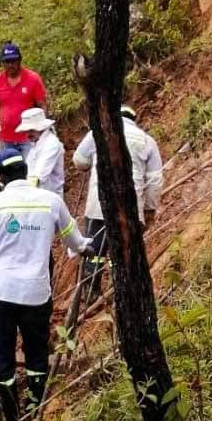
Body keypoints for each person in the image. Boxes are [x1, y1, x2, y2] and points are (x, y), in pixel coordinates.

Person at [0, 146, 91, 421]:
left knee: (2, 354)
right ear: (26, 173)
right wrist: (89, 247)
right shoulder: (51, 202)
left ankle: (13, 419)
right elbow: (74, 241)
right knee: (36, 351)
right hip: (35, 293)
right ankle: (34, 409)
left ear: (1, 178)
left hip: (0, 293)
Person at [72, 105, 164, 299]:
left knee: (94, 249)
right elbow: (155, 180)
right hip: (130, 207)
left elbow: (79, 161)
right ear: (134, 120)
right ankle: (121, 294)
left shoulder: (97, 132)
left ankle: (90, 292)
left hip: (99, 204)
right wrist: (149, 209)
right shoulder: (147, 140)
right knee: (122, 252)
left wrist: (91, 161)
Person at [0, 42, 47, 161]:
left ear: (19, 60)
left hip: (28, 139)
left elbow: (43, 106)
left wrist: (39, 131)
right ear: (2, 63)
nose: (10, 65)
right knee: (7, 174)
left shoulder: (33, 79)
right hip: (6, 140)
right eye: (7, 62)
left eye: (13, 61)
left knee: (30, 174)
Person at [16, 106, 64, 195]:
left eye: (31, 130)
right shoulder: (36, 144)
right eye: (26, 131)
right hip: (36, 196)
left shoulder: (51, 144)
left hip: (48, 198)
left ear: (41, 127)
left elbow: (38, 176)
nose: (28, 134)